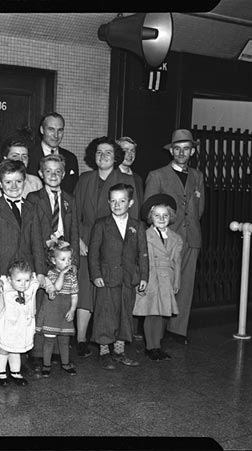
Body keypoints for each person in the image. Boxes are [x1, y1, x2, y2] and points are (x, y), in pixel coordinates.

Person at [0, 159, 53, 385]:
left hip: (25, 275)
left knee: (22, 317)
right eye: (8, 182)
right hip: (2, 274)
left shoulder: (31, 208)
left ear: (25, 181)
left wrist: (40, 271)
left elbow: (37, 242)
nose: (14, 186)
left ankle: (19, 362)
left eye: (18, 181)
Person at [144, 129, 205, 345]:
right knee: (163, 284)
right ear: (171, 151)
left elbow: (199, 209)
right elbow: (150, 211)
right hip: (165, 240)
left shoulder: (197, 177)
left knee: (185, 285)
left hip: (191, 238)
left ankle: (178, 330)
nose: (181, 152)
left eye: (186, 149)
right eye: (177, 148)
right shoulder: (157, 175)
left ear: (193, 151)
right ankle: (156, 335)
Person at [73, 137, 132, 358]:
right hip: (87, 240)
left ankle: (112, 339)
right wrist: (78, 239)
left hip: (113, 242)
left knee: (110, 293)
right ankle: (81, 338)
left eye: (108, 152)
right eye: (99, 152)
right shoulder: (85, 179)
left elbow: (132, 218)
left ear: (116, 156)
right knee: (85, 288)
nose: (103, 156)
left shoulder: (126, 180)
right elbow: (74, 214)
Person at [26, 153, 80, 368]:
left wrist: (73, 260)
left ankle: (59, 351)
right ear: (40, 173)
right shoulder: (34, 198)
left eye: (58, 171)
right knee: (43, 306)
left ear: (64, 174)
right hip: (43, 258)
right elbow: (32, 230)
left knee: (62, 303)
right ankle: (39, 354)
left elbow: (74, 230)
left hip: (64, 260)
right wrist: (44, 246)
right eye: (48, 171)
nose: (53, 175)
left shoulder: (69, 199)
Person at [88, 183, 149, 369]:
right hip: (107, 278)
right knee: (105, 314)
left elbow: (143, 253)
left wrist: (144, 277)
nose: (117, 205)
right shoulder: (101, 224)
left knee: (124, 315)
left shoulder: (137, 226)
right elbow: (93, 253)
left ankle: (120, 351)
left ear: (130, 203)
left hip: (128, 278)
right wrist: (96, 274)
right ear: (108, 202)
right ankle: (104, 352)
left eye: (121, 201)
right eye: (113, 201)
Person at [134, 194, 183, 361]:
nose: (161, 219)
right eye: (157, 215)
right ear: (150, 217)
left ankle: (158, 346)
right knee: (150, 313)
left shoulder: (176, 238)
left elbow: (177, 263)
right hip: (151, 278)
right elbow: (139, 260)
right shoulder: (144, 236)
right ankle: (150, 347)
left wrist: (176, 282)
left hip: (166, 279)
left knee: (163, 313)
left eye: (165, 216)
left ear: (170, 217)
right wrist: (141, 280)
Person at [0, 260, 40, 386]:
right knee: (4, 349)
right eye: (19, 280)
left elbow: (41, 281)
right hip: (7, 325)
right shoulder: (5, 286)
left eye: (26, 280)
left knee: (16, 349)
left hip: (21, 326)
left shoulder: (31, 286)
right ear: (10, 279)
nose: (23, 284)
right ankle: (1, 373)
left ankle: (15, 372)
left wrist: (49, 286)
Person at [35, 241, 79, 377]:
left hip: (65, 311)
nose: (67, 262)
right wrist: (62, 274)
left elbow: (74, 295)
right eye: (63, 259)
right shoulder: (50, 274)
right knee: (49, 340)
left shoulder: (72, 276)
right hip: (52, 312)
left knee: (64, 341)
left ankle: (65, 363)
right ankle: (46, 365)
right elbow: (57, 288)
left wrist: (72, 310)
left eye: (69, 259)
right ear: (53, 260)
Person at [116, 136, 145, 339]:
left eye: (133, 151)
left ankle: (127, 333)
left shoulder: (137, 179)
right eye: (125, 150)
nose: (129, 155)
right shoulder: (112, 176)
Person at [28, 112, 79, 193]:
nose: (56, 135)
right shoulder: (28, 156)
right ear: (42, 130)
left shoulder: (71, 158)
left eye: (60, 130)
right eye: (51, 129)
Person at [0, 129, 43, 199]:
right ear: (5, 158)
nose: (20, 160)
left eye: (24, 156)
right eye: (15, 156)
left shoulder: (35, 183)